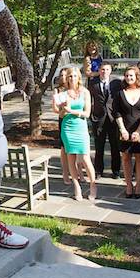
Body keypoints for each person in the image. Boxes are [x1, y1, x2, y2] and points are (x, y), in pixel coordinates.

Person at [55, 67, 96, 201]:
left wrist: (71, 111)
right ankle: (76, 186)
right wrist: (61, 108)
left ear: (79, 77)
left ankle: (93, 185)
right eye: (69, 76)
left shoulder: (85, 92)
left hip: (80, 127)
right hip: (67, 128)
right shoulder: (64, 93)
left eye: (74, 76)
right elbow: (60, 113)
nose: (72, 78)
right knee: (70, 158)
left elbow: (87, 113)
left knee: (85, 158)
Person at [112, 65, 140, 199]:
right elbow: (116, 112)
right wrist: (122, 129)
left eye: (131, 75)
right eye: (127, 75)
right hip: (124, 131)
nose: (129, 78)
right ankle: (128, 185)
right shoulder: (120, 92)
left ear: (136, 77)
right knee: (126, 158)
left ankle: (138, 186)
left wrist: (139, 131)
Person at [90, 62, 121, 179]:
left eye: (107, 69)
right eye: (102, 70)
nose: (105, 72)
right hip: (99, 118)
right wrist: (91, 116)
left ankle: (116, 171)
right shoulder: (93, 83)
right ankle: (98, 170)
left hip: (113, 118)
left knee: (115, 146)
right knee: (99, 146)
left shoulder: (116, 83)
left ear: (110, 70)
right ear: (99, 70)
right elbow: (90, 99)